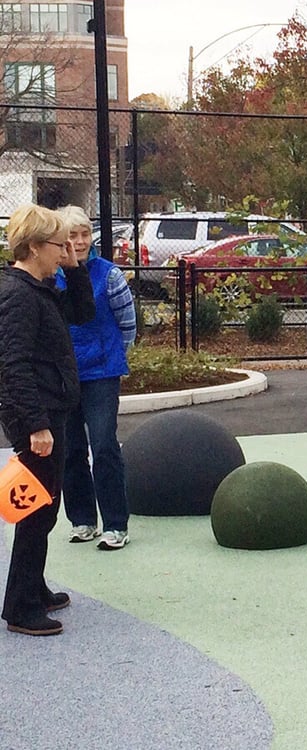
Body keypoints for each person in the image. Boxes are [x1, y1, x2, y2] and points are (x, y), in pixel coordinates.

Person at [0, 204, 95, 636]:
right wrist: (36, 424)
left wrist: (75, 268)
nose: (66, 250)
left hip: (50, 409)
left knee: (46, 505)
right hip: (34, 417)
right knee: (36, 510)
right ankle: (20, 606)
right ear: (35, 246)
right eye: (60, 244)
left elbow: (83, 312)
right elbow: (13, 364)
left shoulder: (39, 289)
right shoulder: (18, 296)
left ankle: (32, 586)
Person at [56, 206, 136, 550]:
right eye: (72, 235)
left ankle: (115, 524)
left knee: (103, 446)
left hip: (102, 373)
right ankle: (82, 520)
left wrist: (113, 354)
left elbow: (127, 323)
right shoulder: (52, 276)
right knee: (71, 449)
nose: (80, 241)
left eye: (85, 234)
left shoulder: (109, 275)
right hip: (65, 375)